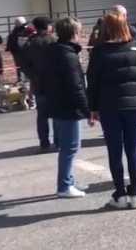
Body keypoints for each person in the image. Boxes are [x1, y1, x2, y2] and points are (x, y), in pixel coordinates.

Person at [87, 10, 136, 209]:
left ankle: (120, 194)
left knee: (115, 151)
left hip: (109, 105)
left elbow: (92, 81)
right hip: (134, 104)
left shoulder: (99, 51)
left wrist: (92, 108)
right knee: (133, 149)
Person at [43, 17, 89, 198]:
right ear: (74, 33)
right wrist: (87, 109)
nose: (81, 35)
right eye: (79, 32)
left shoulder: (55, 51)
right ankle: (64, 186)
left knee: (67, 147)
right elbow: (75, 86)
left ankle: (68, 180)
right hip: (68, 106)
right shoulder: (67, 55)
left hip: (58, 103)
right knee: (70, 148)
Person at [22, 16, 58, 152]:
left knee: (42, 115)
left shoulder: (29, 43)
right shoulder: (53, 40)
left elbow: (25, 66)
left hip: (38, 83)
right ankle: (58, 141)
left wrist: (33, 77)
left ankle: (44, 142)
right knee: (57, 113)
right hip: (54, 83)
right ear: (47, 27)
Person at [6, 16, 30, 83]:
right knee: (19, 66)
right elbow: (11, 41)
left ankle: (26, 79)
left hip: (24, 51)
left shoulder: (27, 29)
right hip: (17, 51)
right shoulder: (15, 31)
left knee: (25, 65)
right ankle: (21, 79)